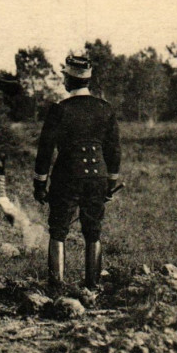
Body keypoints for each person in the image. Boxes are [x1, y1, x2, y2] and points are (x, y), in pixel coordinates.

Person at [32, 56, 121, 289]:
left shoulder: (59, 110)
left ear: (69, 80)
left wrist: (40, 184)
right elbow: (114, 150)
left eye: (64, 77)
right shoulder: (106, 109)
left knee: (59, 230)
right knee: (93, 231)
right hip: (98, 176)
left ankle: (57, 287)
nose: (63, 81)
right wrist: (110, 183)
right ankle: (92, 286)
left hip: (67, 176)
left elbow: (45, 150)